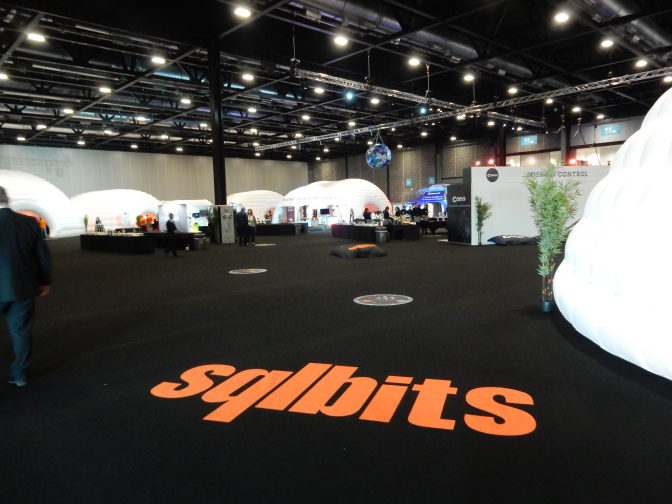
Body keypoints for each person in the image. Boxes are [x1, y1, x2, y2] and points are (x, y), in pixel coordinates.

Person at [0, 186, 52, 387]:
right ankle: (20, 374)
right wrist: (44, 282)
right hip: (23, 287)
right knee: (21, 331)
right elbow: (42, 256)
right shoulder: (28, 222)